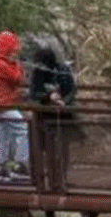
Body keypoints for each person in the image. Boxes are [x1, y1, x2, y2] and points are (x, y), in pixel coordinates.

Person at [28, 46, 83, 184]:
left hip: (62, 114)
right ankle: (39, 177)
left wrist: (63, 102)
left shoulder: (63, 70)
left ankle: (61, 177)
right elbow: (34, 93)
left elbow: (71, 91)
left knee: (62, 147)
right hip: (43, 115)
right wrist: (48, 96)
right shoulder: (38, 72)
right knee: (39, 146)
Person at [0, 31, 30, 183]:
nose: (15, 50)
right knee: (23, 129)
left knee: (1, 135)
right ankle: (20, 166)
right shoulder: (1, 63)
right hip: (4, 103)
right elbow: (17, 78)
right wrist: (17, 64)